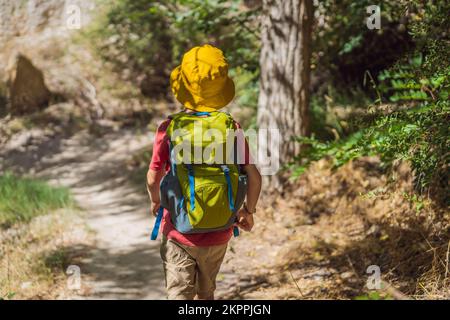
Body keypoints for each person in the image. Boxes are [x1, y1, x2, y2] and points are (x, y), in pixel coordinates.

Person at [147, 44, 262, 300]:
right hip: (220, 231)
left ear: (183, 88)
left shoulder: (169, 127)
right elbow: (253, 176)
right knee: (207, 293)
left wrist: (156, 200)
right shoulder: (231, 127)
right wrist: (248, 211)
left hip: (178, 231)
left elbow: (154, 174)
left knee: (179, 296)